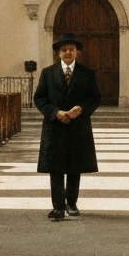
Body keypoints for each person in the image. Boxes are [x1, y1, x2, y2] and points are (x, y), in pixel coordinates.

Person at [33, 32, 101, 220]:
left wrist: (81, 109)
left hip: (78, 126)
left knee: (74, 166)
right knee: (55, 168)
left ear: (77, 52)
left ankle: (71, 203)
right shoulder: (48, 73)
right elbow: (39, 97)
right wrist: (55, 112)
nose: (68, 52)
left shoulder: (88, 73)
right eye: (64, 50)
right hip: (55, 126)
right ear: (59, 53)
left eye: (71, 49)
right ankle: (57, 208)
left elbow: (94, 98)